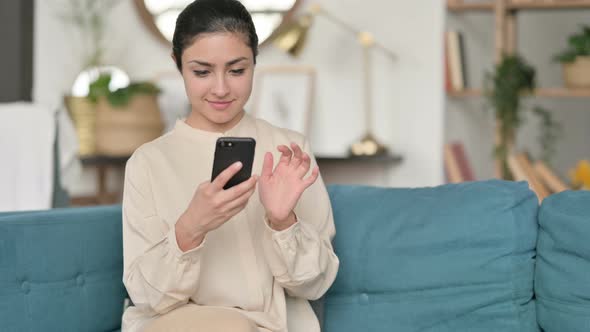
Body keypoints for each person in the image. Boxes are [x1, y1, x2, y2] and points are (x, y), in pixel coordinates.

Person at [121, 0, 339, 331]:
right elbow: (147, 297)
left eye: (237, 70)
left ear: (255, 62)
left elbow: (314, 285)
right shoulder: (148, 163)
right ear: (177, 64)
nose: (221, 88)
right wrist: (190, 228)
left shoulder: (289, 151)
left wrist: (283, 222)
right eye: (202, 71)